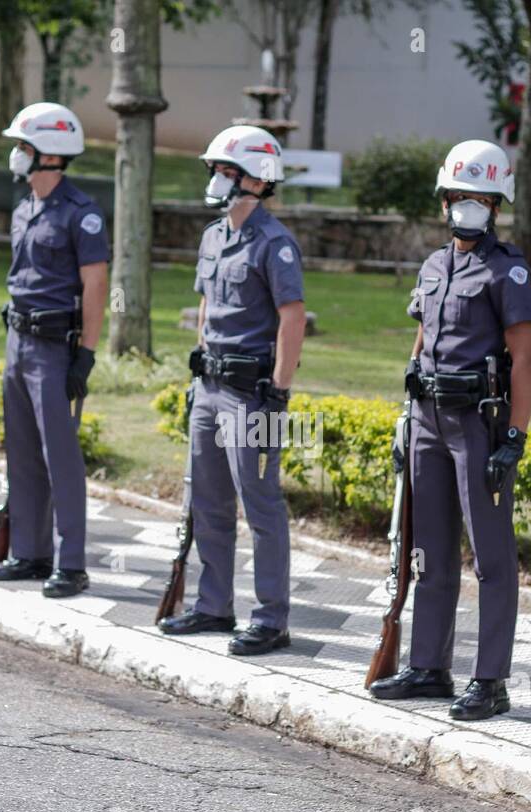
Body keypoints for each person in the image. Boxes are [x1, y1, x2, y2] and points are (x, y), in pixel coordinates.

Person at [368, 140, 531, 720]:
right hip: (426, 421)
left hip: (477, 423)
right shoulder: (435, 265)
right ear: (444, 201)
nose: (468, 206)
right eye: (459, 196)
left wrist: (514, 436)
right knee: (427, 549)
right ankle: (428, 667)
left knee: (491, 555)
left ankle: (490, 680)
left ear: (497, 205)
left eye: (480, 198)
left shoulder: (507, 269)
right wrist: (405, 411)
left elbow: (524, 357)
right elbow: (423, 338)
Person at [156, 125, 306, 656]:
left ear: (258, 179)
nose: (218, 179)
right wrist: (197, 377)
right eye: (216, 169)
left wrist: (279, 392)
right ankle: (213, 606)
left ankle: (271, 619)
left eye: (228, 170)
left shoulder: (275, 243)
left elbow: (293, 320)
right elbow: (205, 309)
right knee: (208, 501)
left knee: (261, 505)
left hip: (252, 393)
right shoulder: (214, 235)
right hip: (211, 387)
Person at [0, 103, 108, 598]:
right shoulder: (23, 208)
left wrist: (87, 354)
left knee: (61, 457)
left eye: (23, 147)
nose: (15, 155)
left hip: (56, 347)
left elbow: (95, 285)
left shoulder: (82, 215)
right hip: (18, 341)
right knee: (23, 453)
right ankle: (28, 554)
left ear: (49, 156)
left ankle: (70, 563)